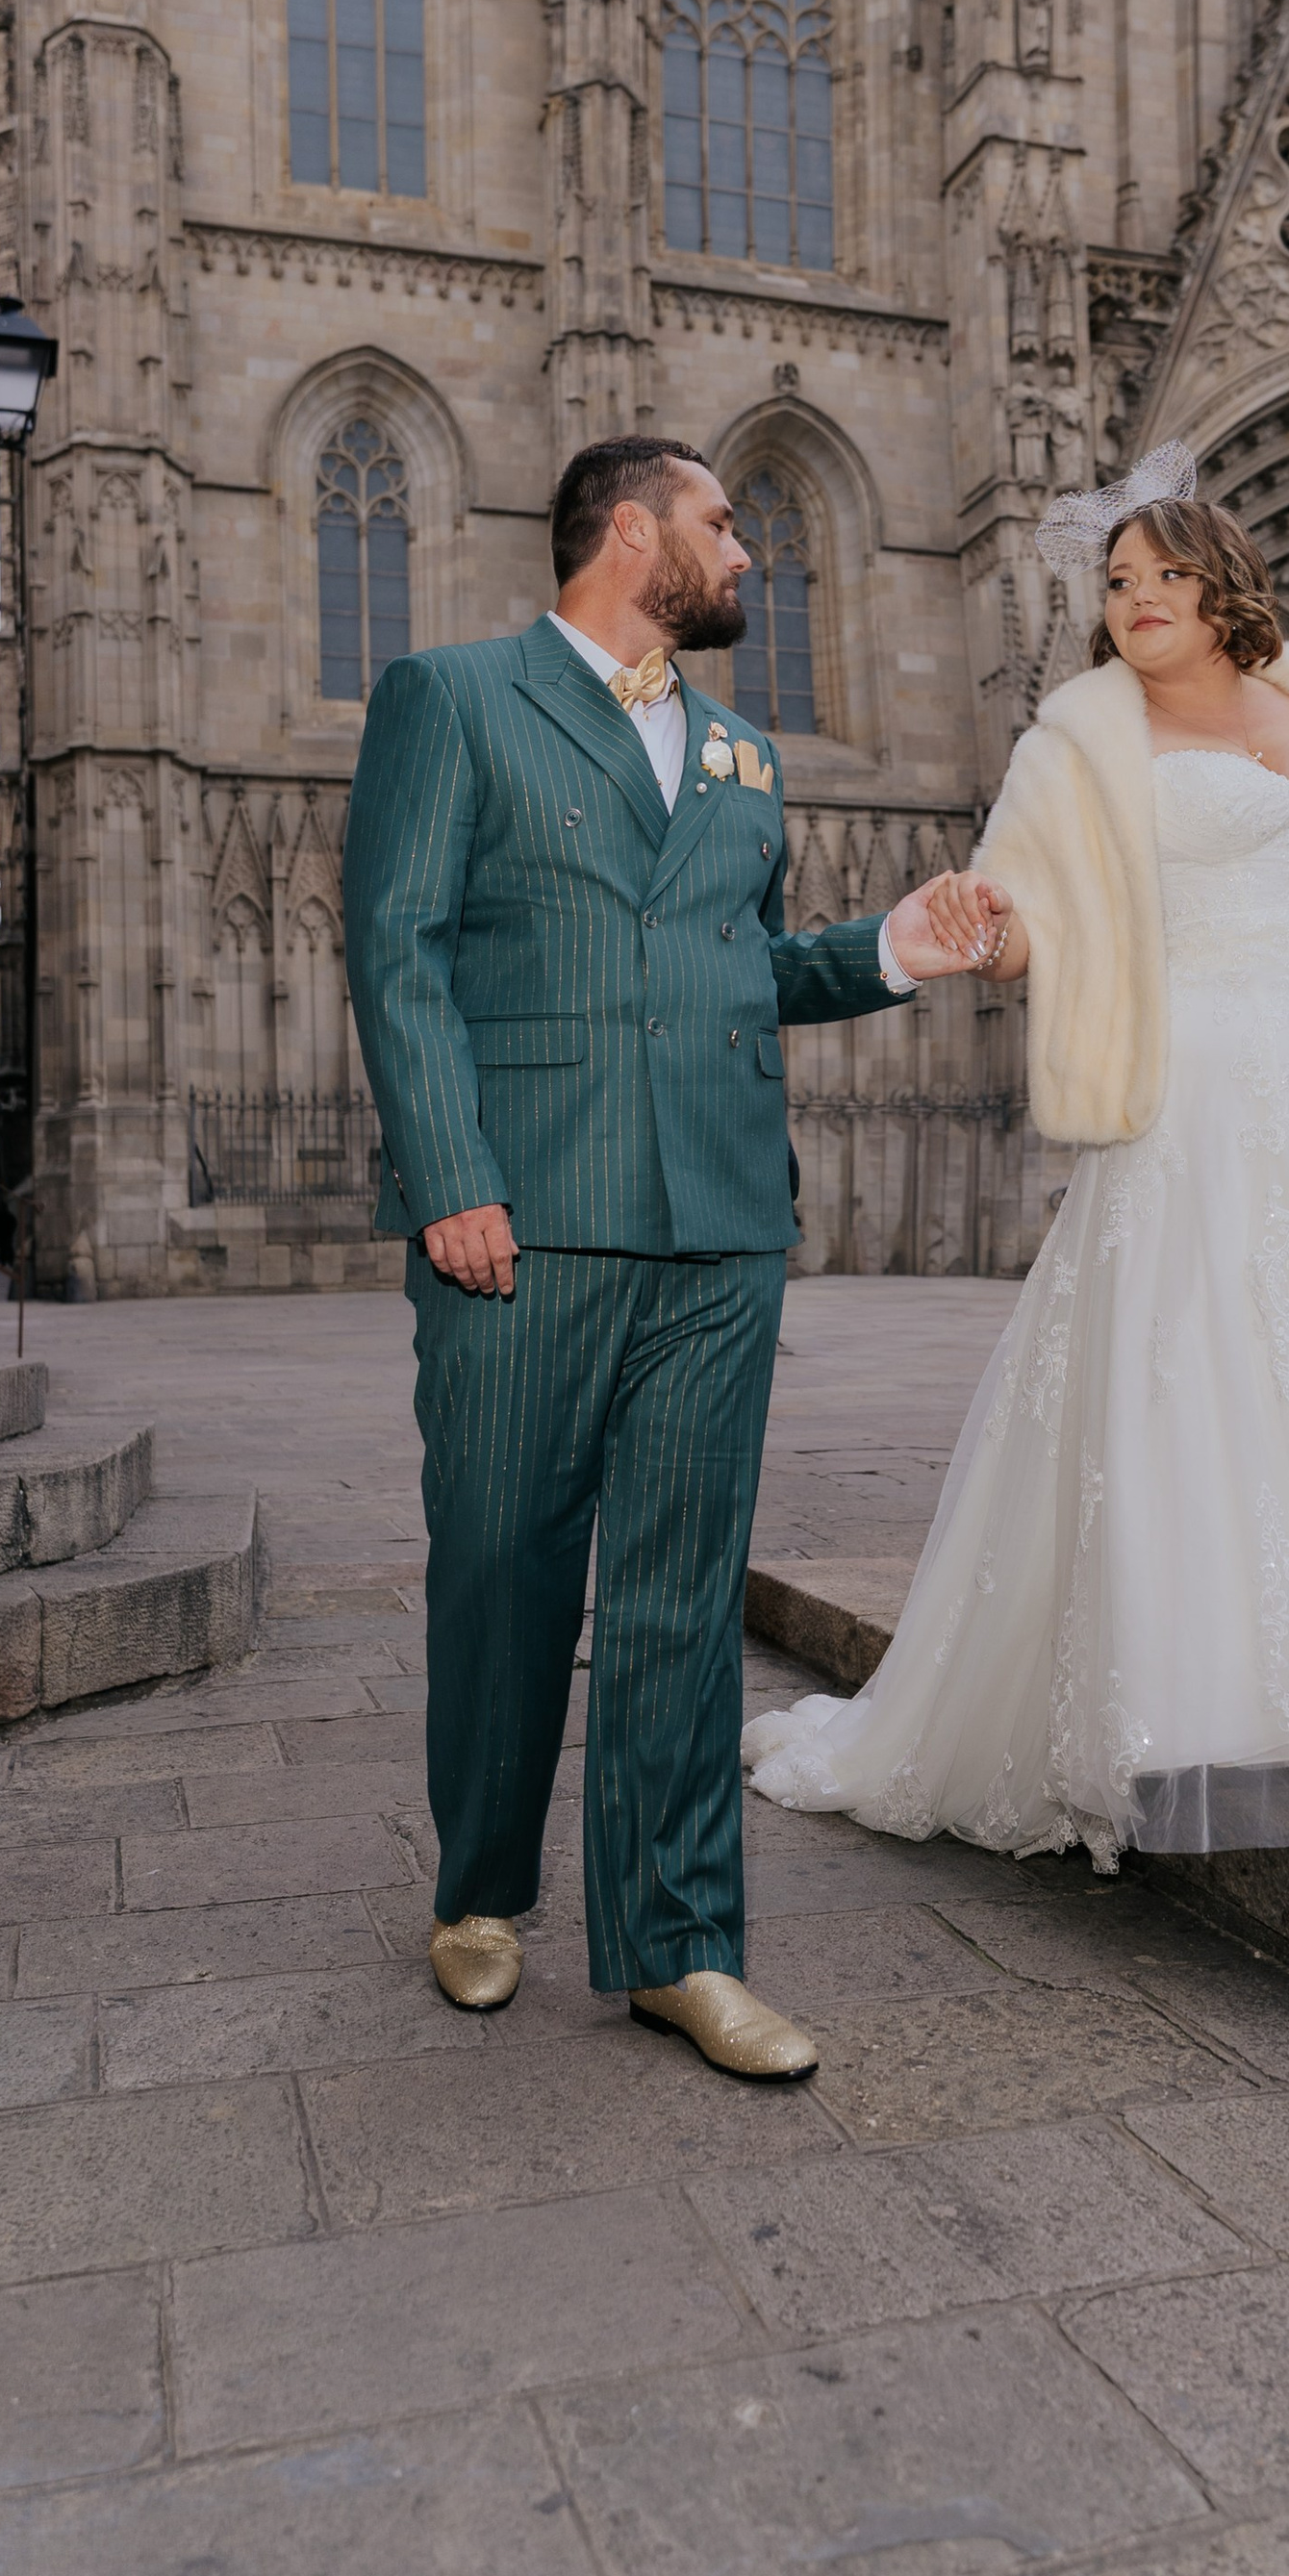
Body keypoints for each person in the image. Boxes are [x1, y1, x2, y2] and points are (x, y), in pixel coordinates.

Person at [746, 446, 1289, 1866]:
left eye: (1162, 574)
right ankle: (1270, 1706)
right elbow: (1031, 917)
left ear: (1224, 589)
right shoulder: (1078, 744)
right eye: (1116, 582)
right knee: (1219, 1364)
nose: (1134, 596)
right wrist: (980, 928)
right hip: (1201, 1075)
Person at [343, 437, 980, 2079]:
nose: (744, 553)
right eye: (716, 525)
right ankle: (481, 1889)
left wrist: (890, 952)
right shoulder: (454, 695)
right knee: (503, 1568)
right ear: (630, 532)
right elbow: (398, 952)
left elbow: (735, 967)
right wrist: (451, 1178)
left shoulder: (743, 756)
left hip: (719, 1225)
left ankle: (678, 1945)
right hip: (519, 1226)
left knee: (682, 1599)